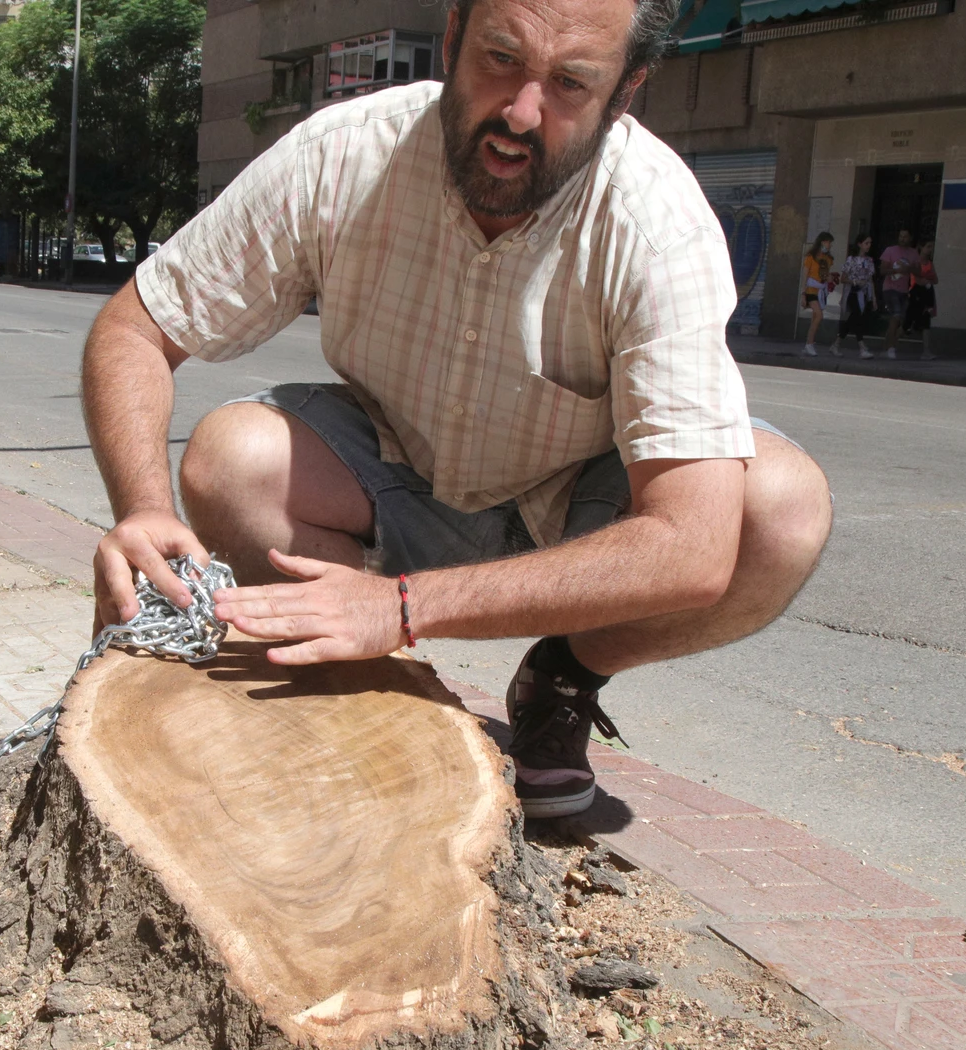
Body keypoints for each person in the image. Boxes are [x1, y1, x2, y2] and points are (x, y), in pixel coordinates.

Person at [79, 0, 833, 819]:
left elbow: (693, 547)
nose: (519, 112)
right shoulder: (344, 155)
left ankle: (565, 676)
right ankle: (364, 696)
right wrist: (142, 511)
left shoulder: (657, 224)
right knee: (230, 459)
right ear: (451, 39)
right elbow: (135, 328)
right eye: (500, 58)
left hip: (579, 507)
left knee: (779, 511)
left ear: (625, 95)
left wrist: (403, 607)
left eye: (571, 83)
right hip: (401, 475)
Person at [876, 229, 921, 357]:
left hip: (904, 290)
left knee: (901, 319)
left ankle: (886, 347)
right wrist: (896, 270)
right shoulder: (890, 250)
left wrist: (909, 269)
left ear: (910, 238)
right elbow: (882, 270)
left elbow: (918, 271)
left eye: (905, 237)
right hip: (890, 289)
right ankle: (891, 349)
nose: (902, 239)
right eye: (900, 236)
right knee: (895, 316)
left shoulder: (913, 253)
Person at [833, 234, 877, 357]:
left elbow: (870, 280)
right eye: (866, 243)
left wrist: (873, 298)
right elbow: (843, 278)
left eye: (870, 243)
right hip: (852, 292)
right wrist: (855, 281)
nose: (868, 246)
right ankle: (862, 347)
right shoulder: (851, 260)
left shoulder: (869, 261)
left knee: (854, 319)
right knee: (856, 316)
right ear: (859, 244)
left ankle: (836, 343)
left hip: (863, 293)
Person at [800, 231, 834, 357]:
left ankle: (808, 344)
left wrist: (830, 279)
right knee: (819, 315)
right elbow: (805, 275)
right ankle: (809, 344)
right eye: (828, 242)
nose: (830, 245)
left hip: (821, 290)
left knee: (815, 317)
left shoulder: (828, 259)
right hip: (810, 290)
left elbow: (826, 274)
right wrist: (803, 293)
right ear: (822, 242)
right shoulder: (811, 257)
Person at [908, 239, 937, 359]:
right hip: (916, 294)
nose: (930, 249)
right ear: (921, 247)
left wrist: (928, 280)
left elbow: (935, 279)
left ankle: (926, 351)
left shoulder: (930, 263)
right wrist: (925, 280)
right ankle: (891, 345)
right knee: (908, 322)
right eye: (928, 246)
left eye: (932, 247)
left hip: (927, 295)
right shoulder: (915, 262)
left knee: (926, 322)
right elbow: (917, 280)